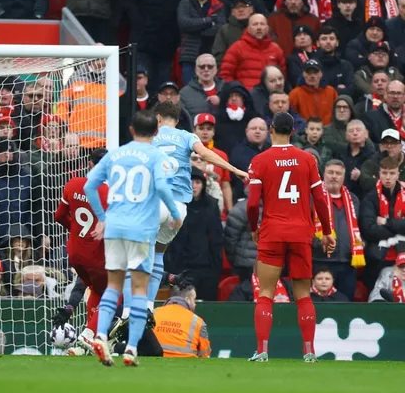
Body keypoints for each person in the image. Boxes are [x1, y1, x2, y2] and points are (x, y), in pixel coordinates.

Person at [123, 101, 247, 315]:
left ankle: (128, 312)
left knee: (134, 256)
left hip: (154, 203)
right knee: (159, 255)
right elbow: (206, 155)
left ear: (158, 119)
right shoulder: (187, 136)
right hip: (178, 209)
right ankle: (149, 308)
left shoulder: (149, 137)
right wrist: (233, 169)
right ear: (178, 121)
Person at [83, 111, 183, 367]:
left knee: (113, 286)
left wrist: (102, 217)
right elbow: (161, 187)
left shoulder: (115, 154)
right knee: (138, 289)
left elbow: (89, 186)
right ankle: (131, 348)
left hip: (115, 227)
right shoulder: (156, 155)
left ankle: (101, 335)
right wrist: (174, 213)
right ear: (156, 132)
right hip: (140, 229)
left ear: (130, 130)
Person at [246, 111, 335, 363]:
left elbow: (252, 204)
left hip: (272, 232)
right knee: (303, 295)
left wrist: (254, 227)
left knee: (265, 292)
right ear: (293, 132)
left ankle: (262, 350)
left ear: (271, 129)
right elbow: (319, 199)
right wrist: (327, 232)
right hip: (300, 233)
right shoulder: (307, 160)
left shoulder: (259, 161)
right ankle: (309, 351)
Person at [53, 148, 109, 354]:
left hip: (75, 254)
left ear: (89, 164)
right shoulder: (109, 194)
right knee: (115, 291)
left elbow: (59, 216)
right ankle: (88, 334)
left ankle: (85, 346)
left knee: (95, 289)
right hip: (96, 254)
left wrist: (76, 232)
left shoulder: (73, 184)